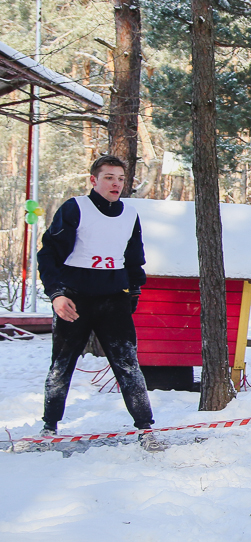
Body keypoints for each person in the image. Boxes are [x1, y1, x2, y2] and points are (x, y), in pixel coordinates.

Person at [36, 155, 162, 450]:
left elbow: (134, 259)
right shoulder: (75, 208)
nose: (116, 184)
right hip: (74, 299)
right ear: (93, 180)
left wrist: (133, 293)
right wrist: (57, 294)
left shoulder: (129, 214)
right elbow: (48, 254)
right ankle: (49, 427)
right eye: (109, 178)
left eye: (121, 179)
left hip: (113, 299)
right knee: (61, 365)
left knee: (128, 364)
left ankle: (146, 429)